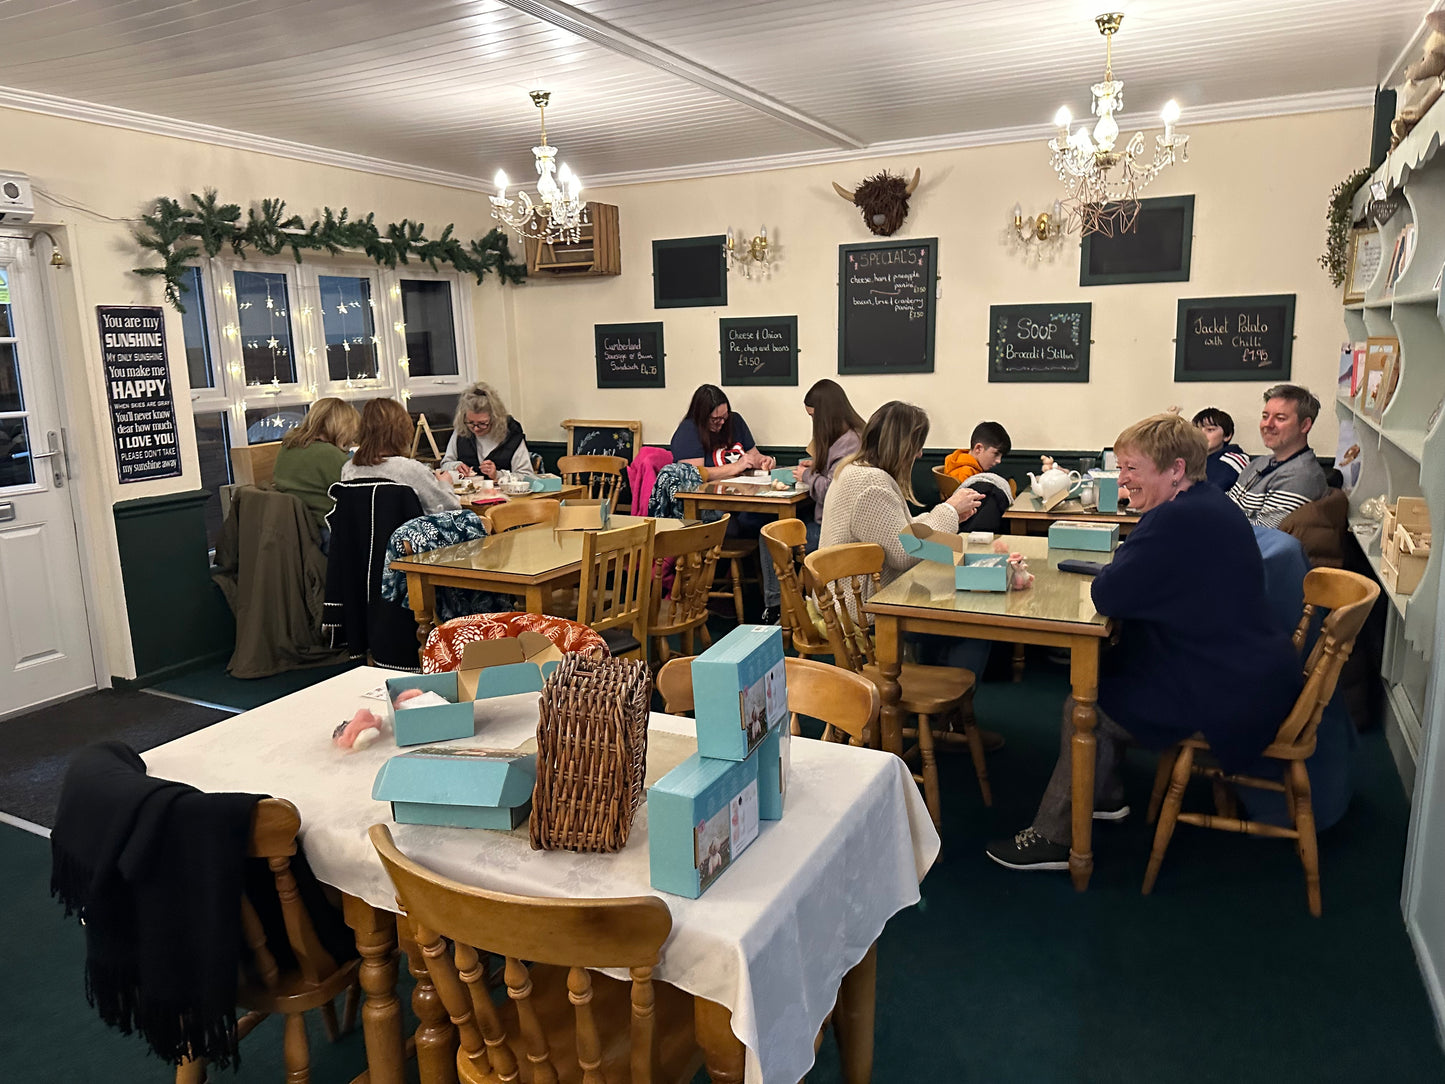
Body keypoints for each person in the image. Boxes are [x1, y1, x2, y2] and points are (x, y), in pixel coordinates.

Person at [985, 413, 1301, 871]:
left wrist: (1122, 566)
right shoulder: (1207, 503)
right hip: (1249, 667)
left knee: (1085, 709)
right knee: (1112, 670)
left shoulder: (1174, 520)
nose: (1123, 478)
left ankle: (1054, 838)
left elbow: (1109, 592)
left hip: (1225, 688)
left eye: (1132, 468)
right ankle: (1103, 795)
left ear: (1175, 469)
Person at [670, 385, 782, 621]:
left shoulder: (736, 422)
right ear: (701, 416)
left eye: (724, 417)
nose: (721, 423)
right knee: (732, 526)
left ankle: (775, 605)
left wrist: (764, 461)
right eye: (715, 419)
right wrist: (736, 467)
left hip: (744, 504)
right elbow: (694, 474)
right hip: (708, 511)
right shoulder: (688, 431)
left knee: (773, 525)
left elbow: (753, 455)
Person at [1227, 384, 1328, 529]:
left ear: (1305, 425)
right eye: (1265, 416)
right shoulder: (1260, 463)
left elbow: (1262, 534)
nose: (1267, 424)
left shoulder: (1302, 476)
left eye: (1280, 418)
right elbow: (1228, 503)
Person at [342, 398, 460, 514]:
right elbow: (450, 508)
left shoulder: (349, 468)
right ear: (402, 431)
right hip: (407, 532)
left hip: (364, 533)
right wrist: (446, 484)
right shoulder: (408, 469)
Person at [271, 397, 361, 539]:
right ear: (340, 426)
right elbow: (358, 493)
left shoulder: (288, 447)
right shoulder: (328, 454)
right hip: (326, 531)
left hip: (298, 532)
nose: (352, 438)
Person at [792, 379, 865, 550]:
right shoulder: (856, 435)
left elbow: (832, 492)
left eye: (813, 417)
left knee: (772, 540)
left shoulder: (848, 444)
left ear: (824, 415)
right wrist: (819, 466)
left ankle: (787, 578)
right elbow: (838, 475)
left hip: (835, 533)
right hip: (845, 528)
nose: (813, 423)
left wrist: (807, 476)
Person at [440, 381, 536, 480]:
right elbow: (444, 465)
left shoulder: (511, 434)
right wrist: (456, 466)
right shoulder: (462, 430)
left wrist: (498, 475)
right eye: (470, 422)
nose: (476, 428)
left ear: (495, 419)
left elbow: (527, 476)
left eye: (482, 424)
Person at [1192, 406, 1251, 491]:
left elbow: (1210, 494)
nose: (1201, 434)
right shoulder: (1191, 459)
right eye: (1197, 430)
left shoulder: (1232, 460)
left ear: (1227, 435)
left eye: (1210, 430)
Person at [941, 421, 1011, 484]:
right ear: (978, 448)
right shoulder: (964, 473)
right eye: (996, 454)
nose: (999, 461)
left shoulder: (973, 467)